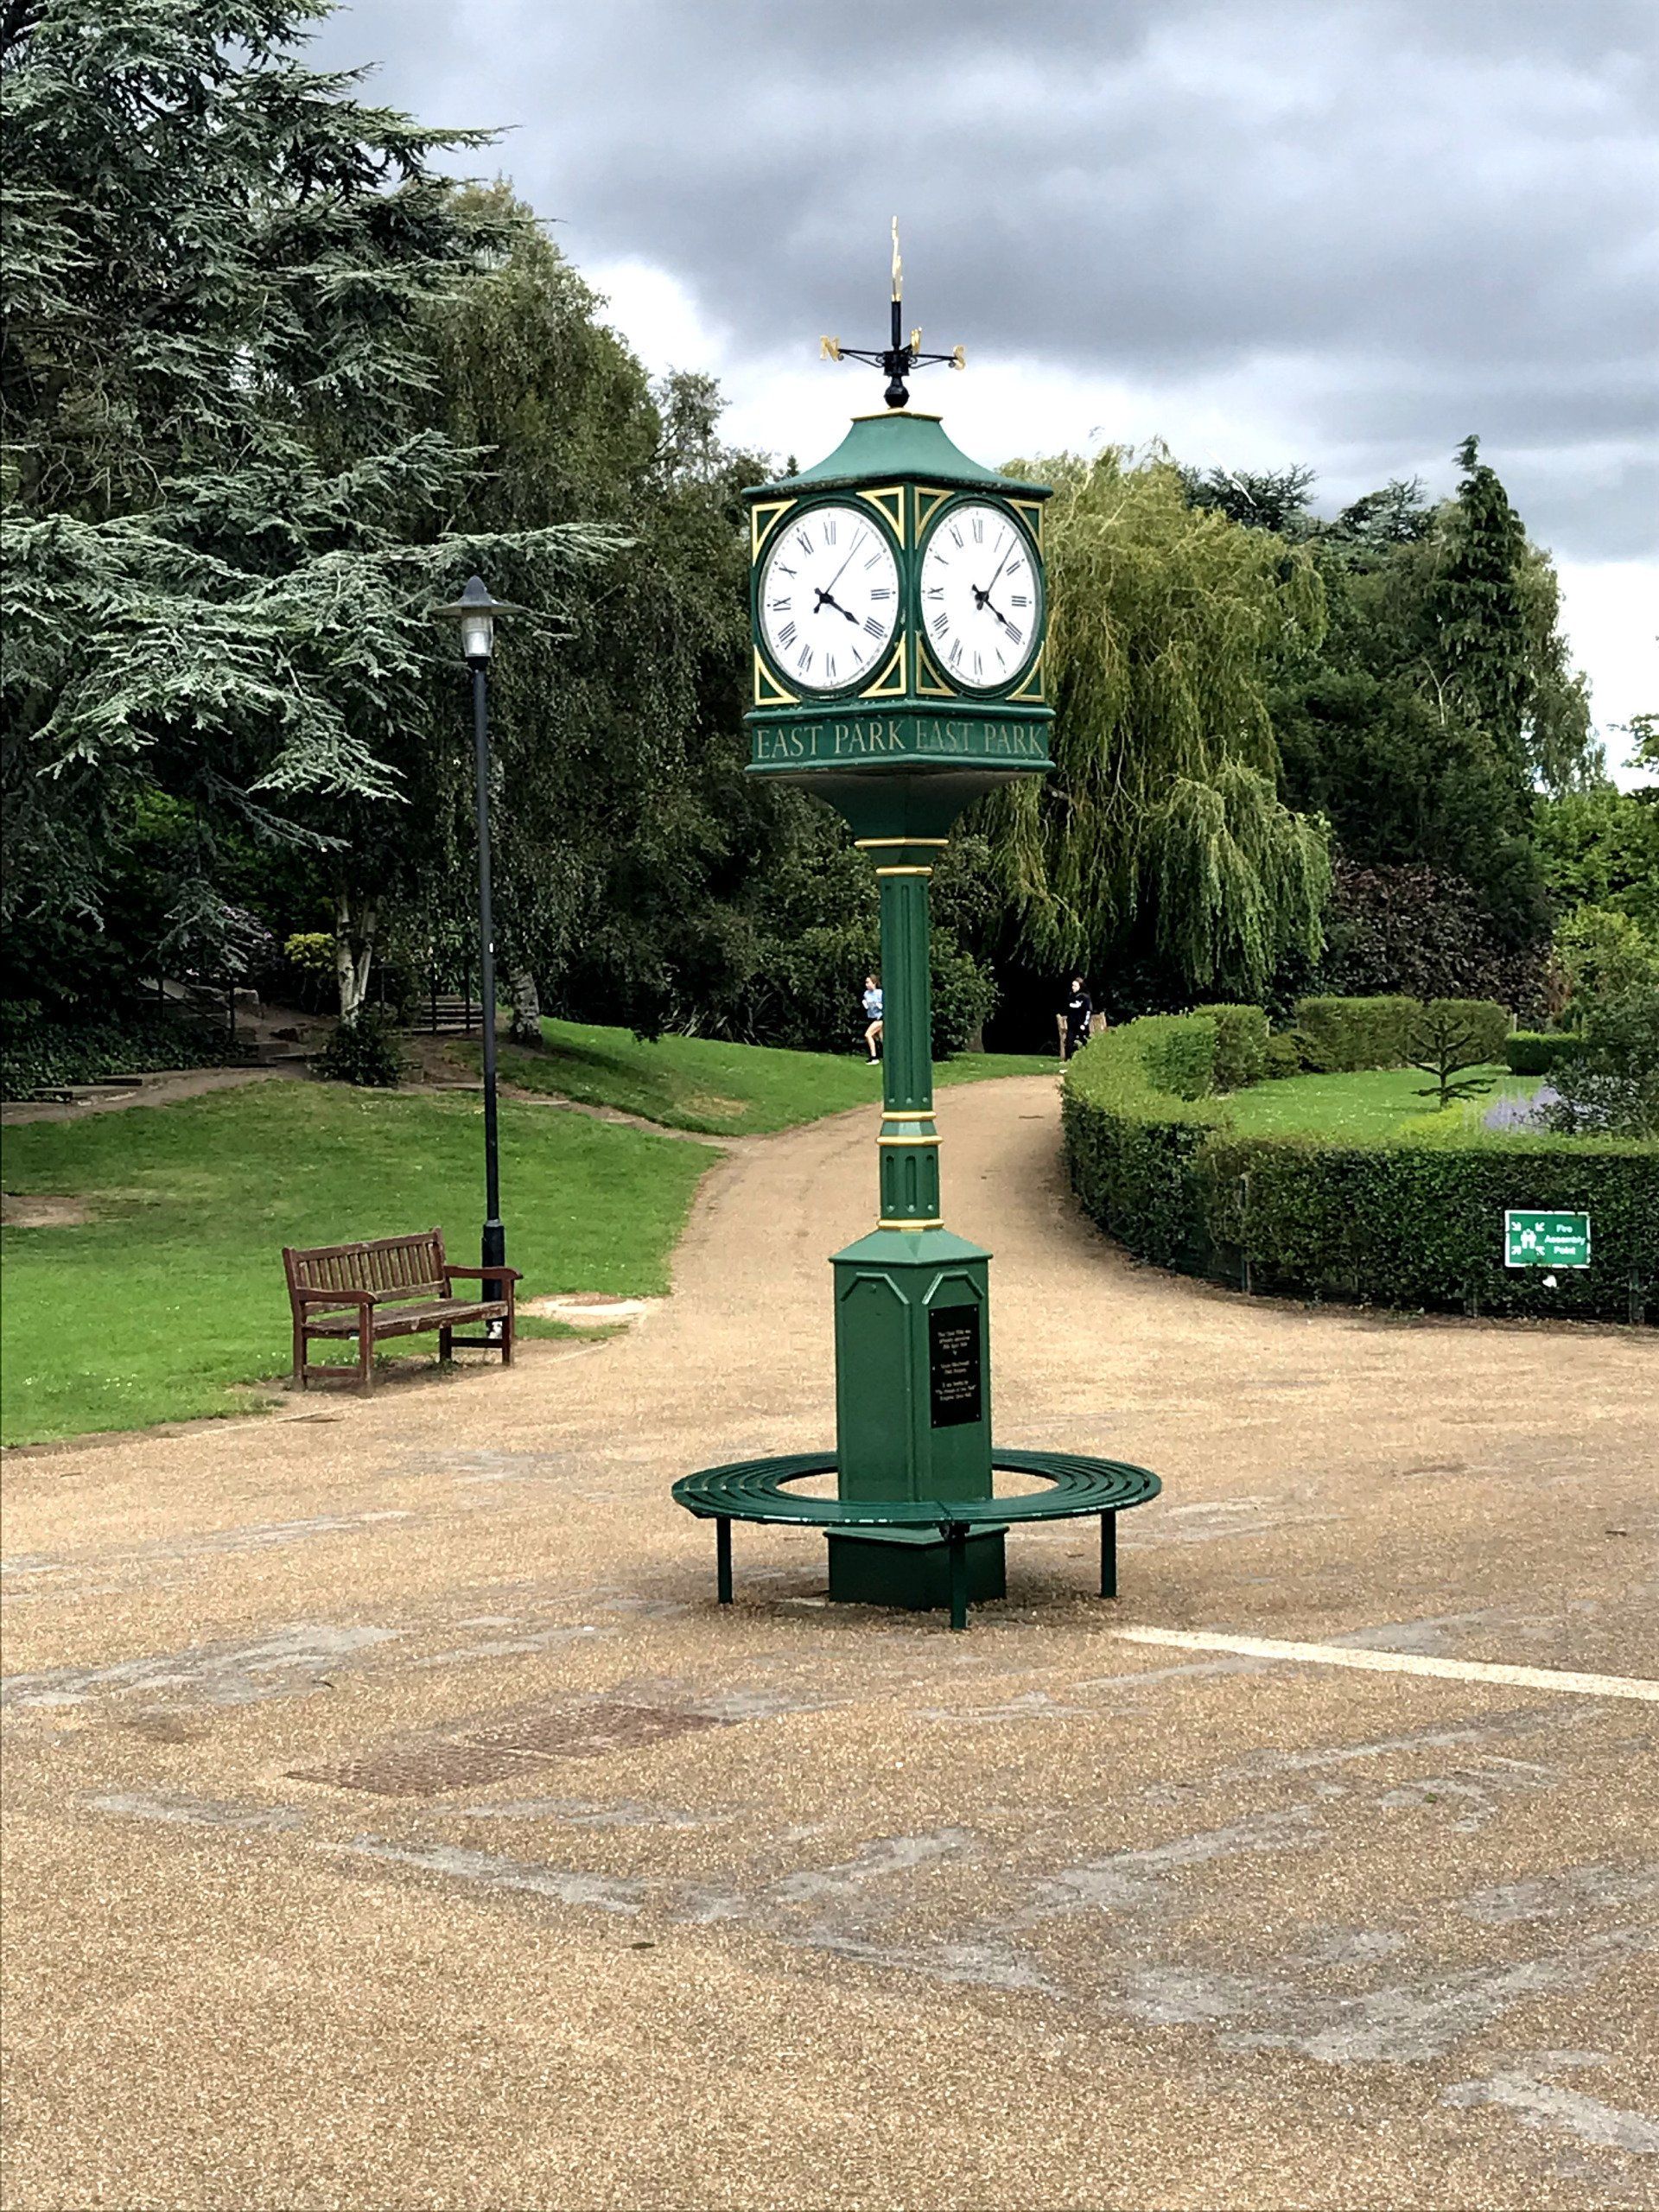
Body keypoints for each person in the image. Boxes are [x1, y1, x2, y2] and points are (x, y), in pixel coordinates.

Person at [1062, 976, 1093, 1059]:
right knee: (1069, 1041)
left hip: (1081, 1024)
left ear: (1080, 986)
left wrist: (1084, 1024)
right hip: (1072, 1024)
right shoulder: (1071, 996)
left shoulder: (1085, 997)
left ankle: (1085, 1059)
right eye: (1073, 985)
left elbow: (1088, 1012)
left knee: (1083, 1042)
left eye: (1075, 986)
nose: (1073, 987)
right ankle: (1068, 1059)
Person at [861, 974, 884, 1063]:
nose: (866, 984)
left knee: (868, 1035)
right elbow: (868, 1005)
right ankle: (884, 1056)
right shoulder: (866, 994)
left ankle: (874, 1058)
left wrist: (880, 1006)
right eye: (866, 983)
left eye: (868, 982)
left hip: (880, 1018)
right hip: (872, 1018)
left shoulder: (879, 993)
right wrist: (865, 1003)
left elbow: (884, 1006)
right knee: (881, 1039)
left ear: (874, 983)